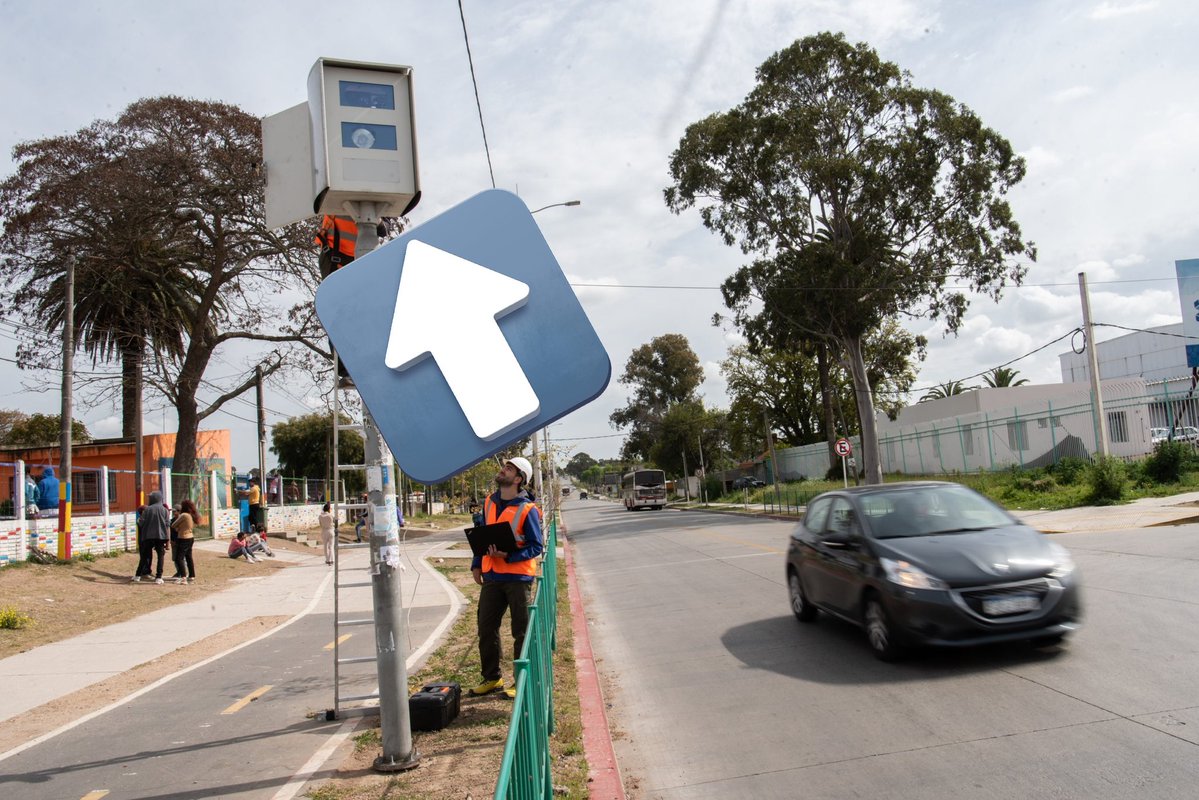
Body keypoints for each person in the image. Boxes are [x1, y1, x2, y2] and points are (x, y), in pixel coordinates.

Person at [470, 456, 544, 699]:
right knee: (486, 627)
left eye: (509, 469)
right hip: (492, 576)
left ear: (519, 478)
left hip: (518, 578)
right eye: (504, 467)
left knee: (520, 630)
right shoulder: (489, 502)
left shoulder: (528, 510)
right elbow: (481, 535)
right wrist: (477, 563)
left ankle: (520, 680)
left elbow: (536, 547)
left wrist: (509, 555)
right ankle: (492, 678)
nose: (503, 470)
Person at [133, 491, 171, 584]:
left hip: (148, 536)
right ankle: (158, 577)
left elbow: (140, 523)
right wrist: (168, 542)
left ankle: (138, 575)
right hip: (161, 537)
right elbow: (167, 526)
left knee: (144, 556)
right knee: (160, 557)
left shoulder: (147, 510)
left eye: (150, 498)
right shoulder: (165, 510)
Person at [170, 499, 201, 584]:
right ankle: (191, 576)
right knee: (189, 557)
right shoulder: (191, 515)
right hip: (190, 537)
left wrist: (178, 528)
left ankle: (183, 577)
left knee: (179, 558)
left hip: (183, 537)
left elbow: (173, 525)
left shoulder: (184, 515)